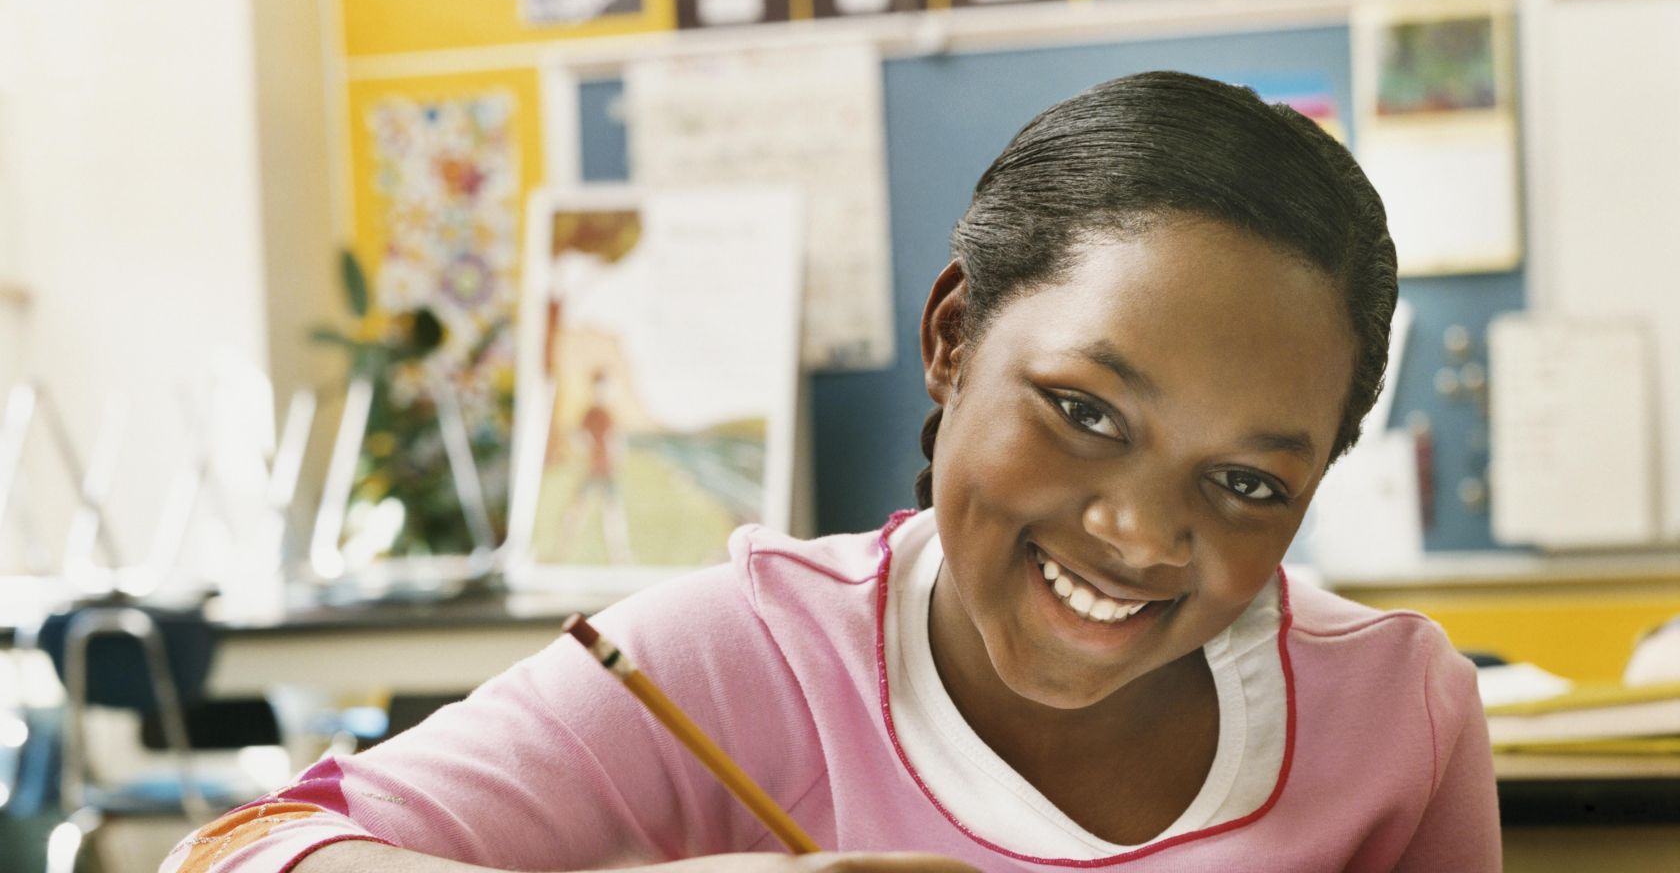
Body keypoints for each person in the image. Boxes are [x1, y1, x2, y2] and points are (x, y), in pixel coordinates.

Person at [160, 72, 1498, 873]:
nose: (1140, 534)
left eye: (1251, 484)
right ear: (953, 337)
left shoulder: (1397, 716)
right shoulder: (741, 656)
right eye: (1085, 411)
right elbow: (231, 851)